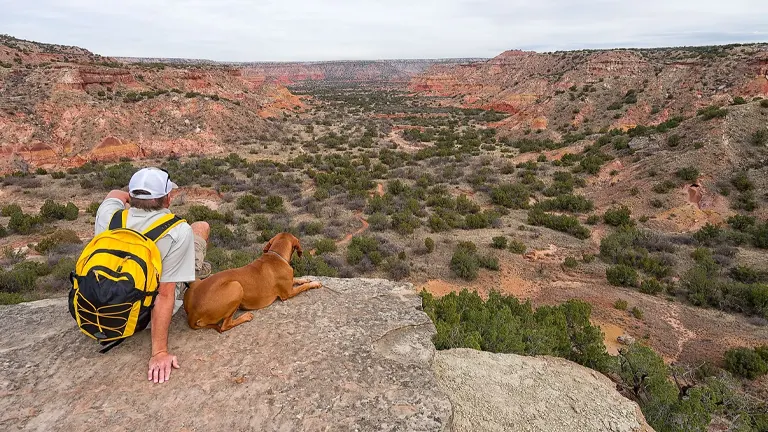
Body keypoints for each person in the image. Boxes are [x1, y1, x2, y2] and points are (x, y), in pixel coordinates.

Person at [94, 167, 211, 384]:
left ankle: (196, 273)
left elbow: (113, 194)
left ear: (132, 195)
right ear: (167, 199)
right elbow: (165, 295)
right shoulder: (177, 230)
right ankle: (195, 274)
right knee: (201, 227)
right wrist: (159, 353)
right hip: (142, 317)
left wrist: (134, 198)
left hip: (103, 309)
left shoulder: (108, 215)